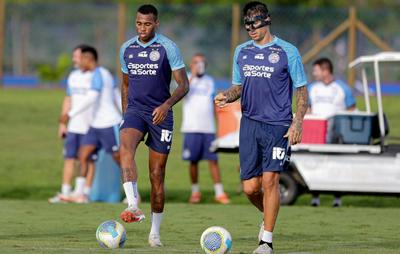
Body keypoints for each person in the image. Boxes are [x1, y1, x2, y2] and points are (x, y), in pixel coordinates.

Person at [214, 2, 308, 253]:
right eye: (247, 24)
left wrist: (297, 121)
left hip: (278, 125)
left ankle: (266, 241)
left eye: (255, 22)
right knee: (250, 188)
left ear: (267, 20)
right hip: (250, 124)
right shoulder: (241, 51)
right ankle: (267, 217)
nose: (251, 28)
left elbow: (301, 91)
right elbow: (238, 87)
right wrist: (227, 95)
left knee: (270, 181)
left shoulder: (288, 51)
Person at [118, 4, 189, 247]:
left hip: (161, 114)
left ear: (156, 24)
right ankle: (132, 204)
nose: (142, 28)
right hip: (135, 112)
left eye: (147, 24)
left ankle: (155, 232)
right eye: (138, 23)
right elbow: (125, 85)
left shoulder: (168, 47)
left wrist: (167, 105)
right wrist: (127, 113)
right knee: (125, 149)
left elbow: (183, 85)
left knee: (156, 176)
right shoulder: (127, 48)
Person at [59, 46, 122, 203]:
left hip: (109, 123)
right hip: (94, 125)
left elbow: (92, 97)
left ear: (89, 60)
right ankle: (80, 194)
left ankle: (132, 194)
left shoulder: (100, 74)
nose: (80, 63)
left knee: (120, 160)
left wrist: (70, 114)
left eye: (82, 60)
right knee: (83, 155)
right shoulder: (98, 74)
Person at [49, 44, 97, 203]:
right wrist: (63, 123)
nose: (74, 59)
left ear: (86, 58)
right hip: (73, 126)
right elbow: (68, 99)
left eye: (76, 56)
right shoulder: (73, 76)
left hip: (90, 125)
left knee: (88, 160)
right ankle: (65, 193)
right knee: (69, 158)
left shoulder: (96, 76)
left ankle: (84, 194)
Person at [181, 53, 230, 205]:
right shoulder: (185, 78)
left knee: (213, 160)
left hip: (208, 128)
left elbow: (214, 103)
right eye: (196, 62)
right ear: (191, 64)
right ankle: (195, 192)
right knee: (193, 161)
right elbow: (181, 93)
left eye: (202, 62)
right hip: (192, 128)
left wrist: (219, 125)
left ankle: (219, 193)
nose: (199, 65)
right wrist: (193, 76)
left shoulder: (210, 81)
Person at [308, 57, 357, 207]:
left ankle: (337, 198)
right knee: (315, 164)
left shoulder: (342, 88)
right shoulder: (312, 88)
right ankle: (315, 197)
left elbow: (352, 109)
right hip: (317, 133)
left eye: (316, 70)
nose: (313, 73)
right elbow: (307, 108)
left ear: (325, 70)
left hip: (336, 133)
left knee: (336, 164)